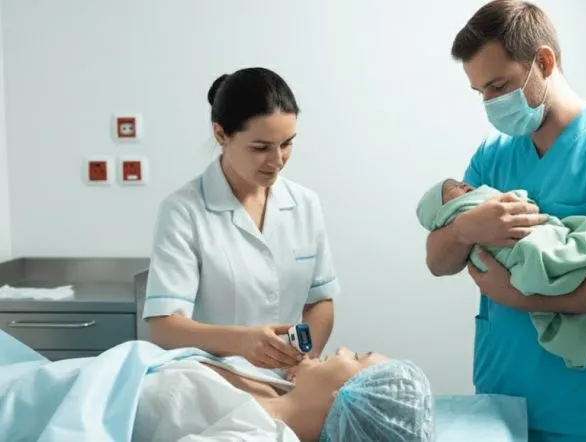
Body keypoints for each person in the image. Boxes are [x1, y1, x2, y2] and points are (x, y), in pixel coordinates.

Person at [426, 1, 586, 441]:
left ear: (543, 62)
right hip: (500, 397)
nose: (489, 103)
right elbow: (439, 260)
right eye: (480, 92)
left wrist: (524, 296)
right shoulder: (494, 156)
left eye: (498, 85)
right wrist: (467, 229)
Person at [143, 67, 340, 370]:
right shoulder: (184, 211)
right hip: (214, 383)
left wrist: (304, 360)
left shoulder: (304, 204)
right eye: (261, 148)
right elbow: (164, 327)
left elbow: (320, 301)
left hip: (287, 382)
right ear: (221, 134)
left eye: (287, 144)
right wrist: (242, 342)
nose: (277, 161)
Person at [416, 178, 586, 369]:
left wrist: (519, 299)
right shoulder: (488, 159)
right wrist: (462, 229)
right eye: (454, 188)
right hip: (502, 364)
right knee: (532, 256)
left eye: (459, 183)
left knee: (537, 252)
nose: (464, 185)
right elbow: (436, 263)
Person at [132, 346, 434, 441]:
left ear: (349, 399)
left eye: (355, 357)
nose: (341, 349)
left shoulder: (254, 436)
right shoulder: (279, 386)